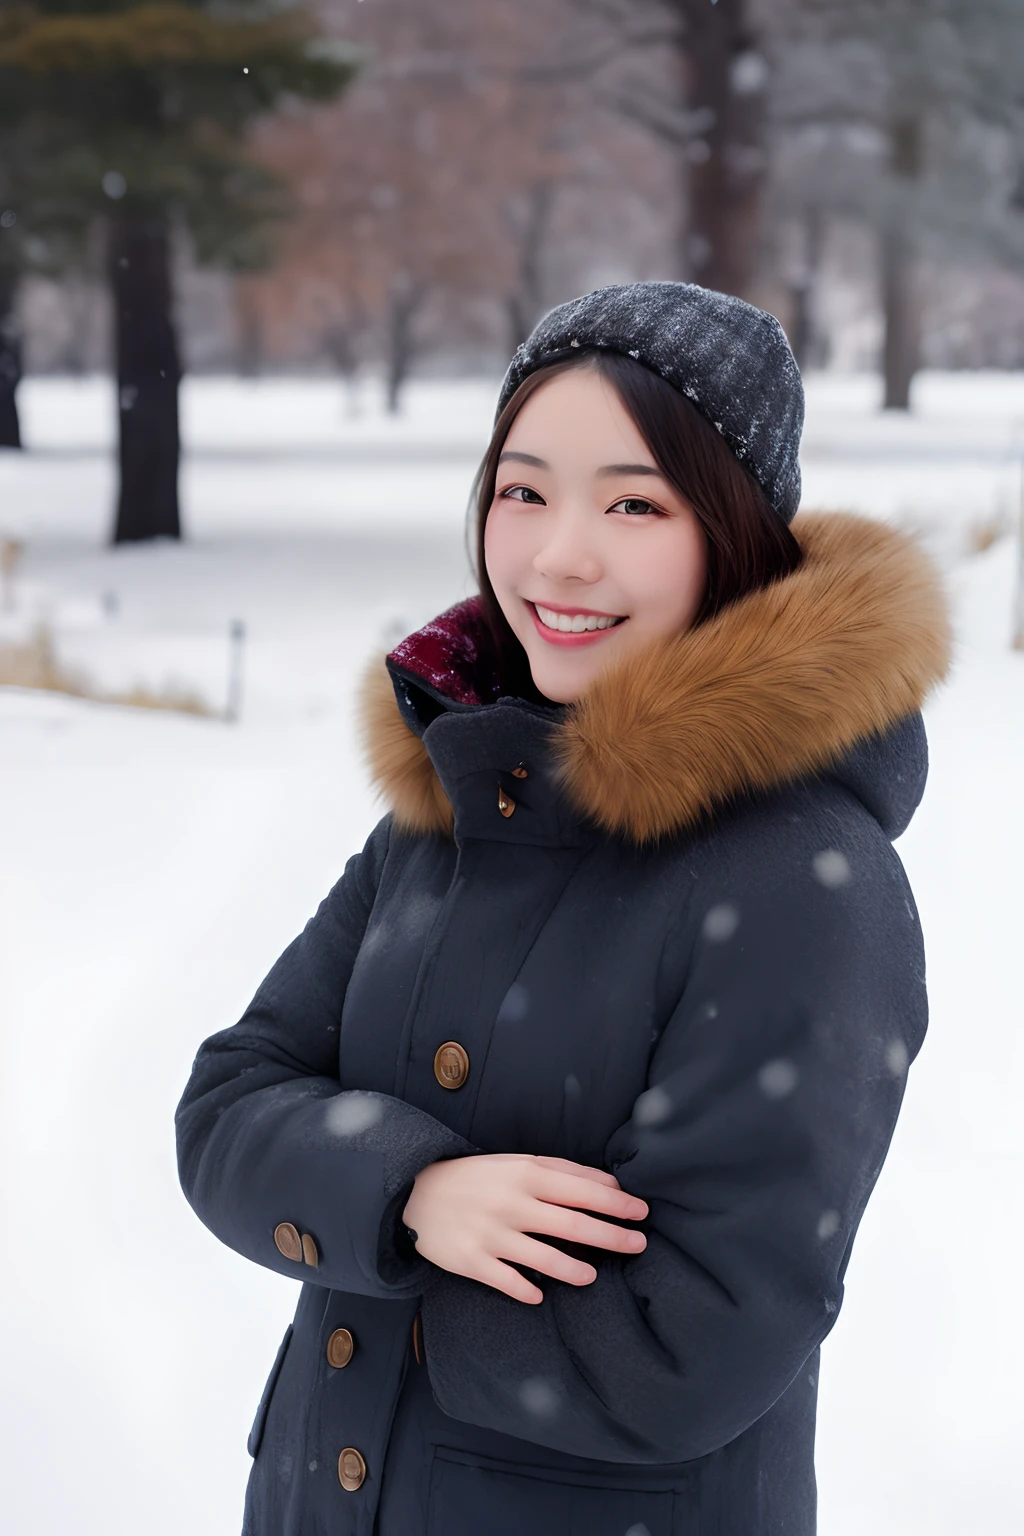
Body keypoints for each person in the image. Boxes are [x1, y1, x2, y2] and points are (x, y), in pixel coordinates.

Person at [175, 281, 953, 1536]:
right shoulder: (455, 809)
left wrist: (367, 1232)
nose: (557, 556)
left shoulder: (802, 882)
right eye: (523, 490)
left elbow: (689, 1341)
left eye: (634, 502)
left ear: (737, 535)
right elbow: (225, 1106)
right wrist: (409, 1194)